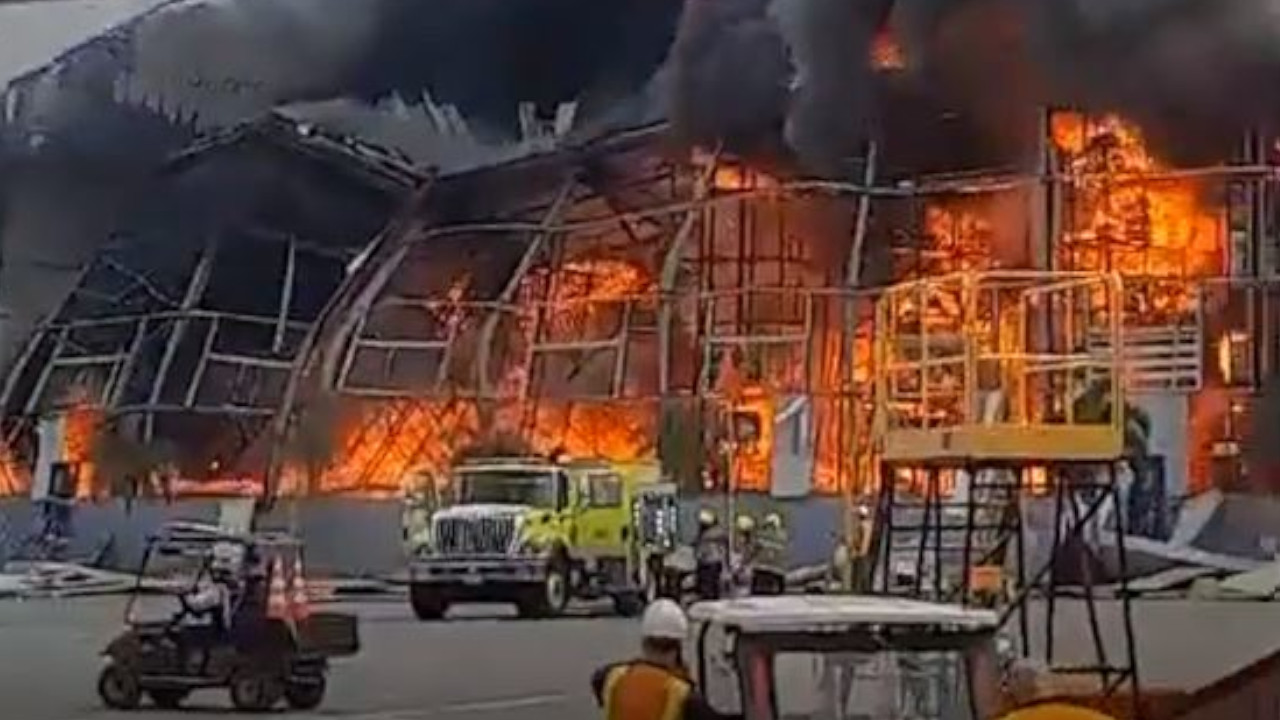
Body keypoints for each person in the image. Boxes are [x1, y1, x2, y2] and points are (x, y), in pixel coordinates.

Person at [591, 600, 738, 720]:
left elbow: (599, 680)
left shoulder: (611, 676)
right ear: (678, 647)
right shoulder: (683, 695)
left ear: (644, 642)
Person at [693, 510, 726, 600]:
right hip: (706, 562)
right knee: (706, 588)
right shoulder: (705, 535)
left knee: (709, 588)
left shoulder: (713, 534)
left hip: (711, 563)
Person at [751, 513, 787, 595]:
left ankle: (770, 587)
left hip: (774, 569)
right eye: (768, 525)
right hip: (763, 567)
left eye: (770, 525)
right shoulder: (763, 534)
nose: (769, 528)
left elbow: (780, 546)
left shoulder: (780, 535)